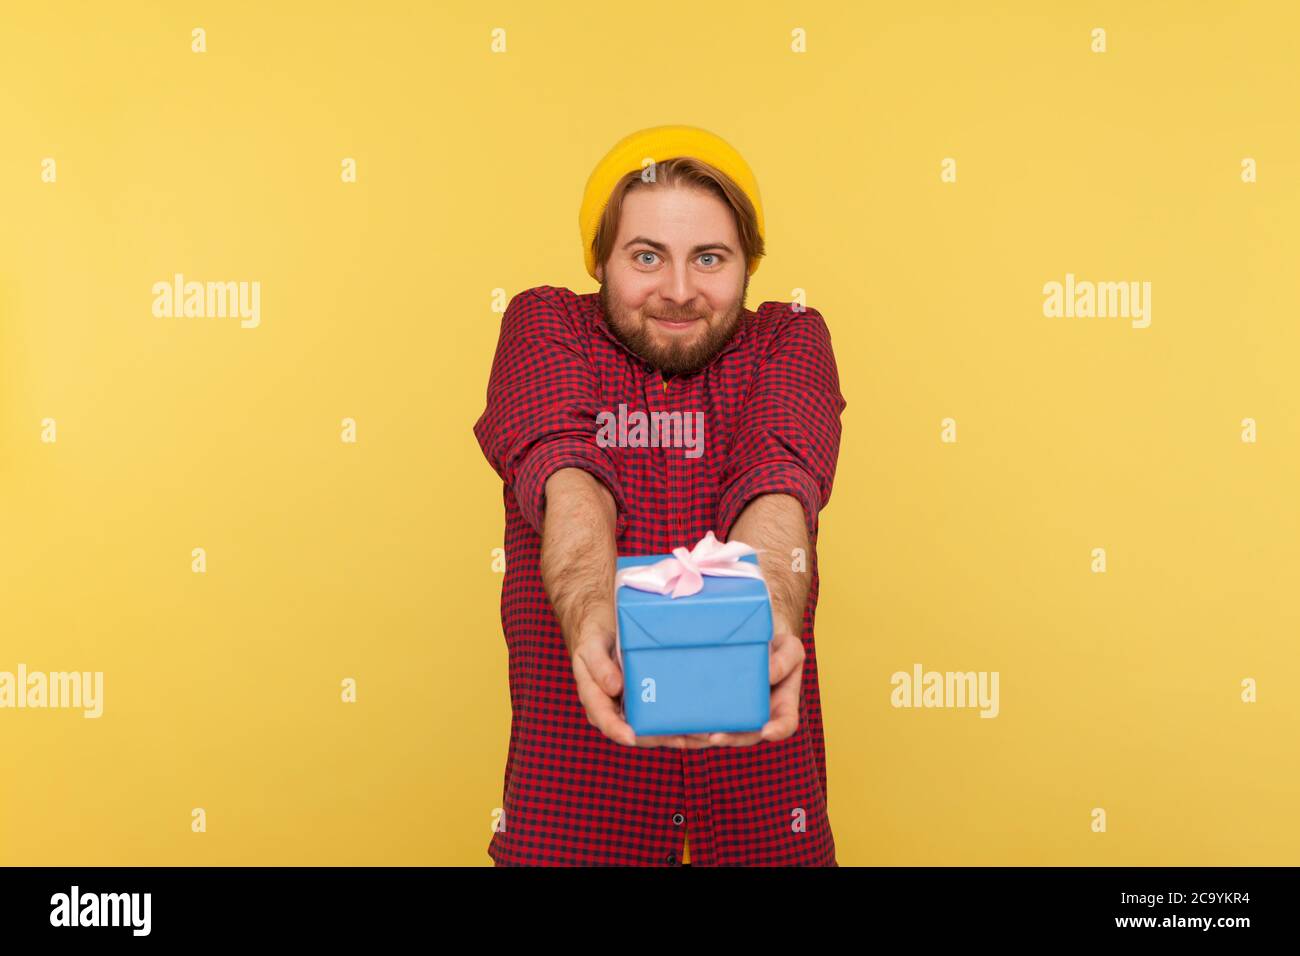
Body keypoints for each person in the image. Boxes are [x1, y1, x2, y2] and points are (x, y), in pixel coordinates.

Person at [473, 125, 847, 865]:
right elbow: (568, 476)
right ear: (600, 261)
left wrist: (768, 619)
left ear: (748, 265)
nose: (679, 290)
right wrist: (589, 615)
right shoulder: (543, 325)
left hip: (765, 818)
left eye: (709, 258)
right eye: (647, 256)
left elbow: (777, 483)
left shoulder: (791, 339)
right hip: (574, 816)